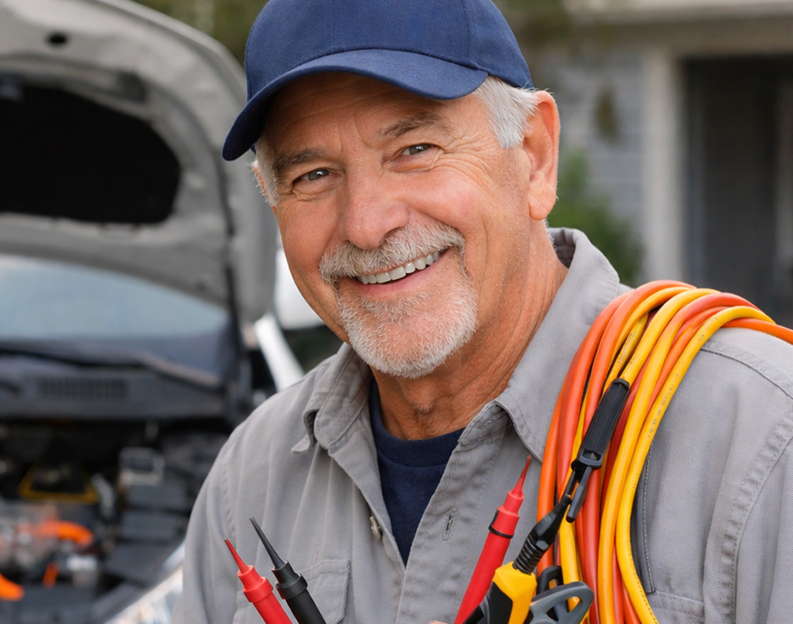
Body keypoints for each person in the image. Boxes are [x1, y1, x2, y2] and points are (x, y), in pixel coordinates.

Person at [174, 0, 793, 622]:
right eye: (312, 175)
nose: (365, 224)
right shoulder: (249, 479)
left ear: (534, 156)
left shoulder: (761, 441)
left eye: (414, 148)